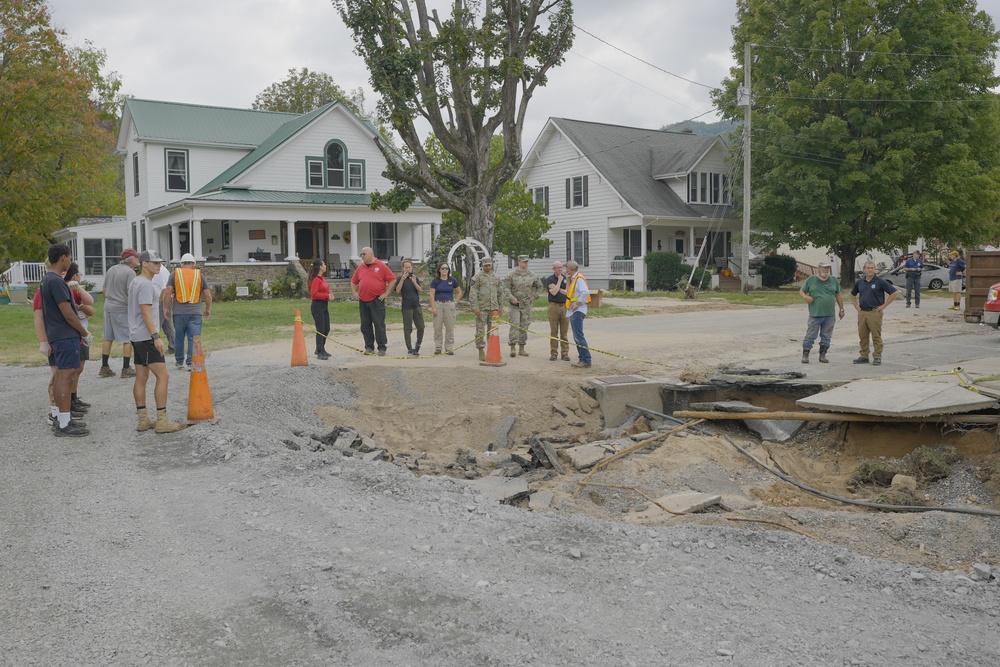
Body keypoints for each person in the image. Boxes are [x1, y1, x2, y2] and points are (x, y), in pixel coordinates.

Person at [128, 250, 186, 433]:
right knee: (163, 376)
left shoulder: (136, 282)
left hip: (137, 336)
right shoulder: (145, 285)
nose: (158, 265)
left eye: (160, 262)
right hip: (146, 337)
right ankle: (162, 421)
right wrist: (156, 336)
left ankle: (143, 419)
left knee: (142, 377)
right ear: (144, 263)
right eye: (154, 262)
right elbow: (145, 312)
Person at [39, 243, 92, 437]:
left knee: (64, 377)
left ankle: (63, 419)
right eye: (69, 258)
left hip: (58, 335)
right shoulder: (56, 281)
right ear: (63, 257)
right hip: (65, 335)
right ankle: (63, 424)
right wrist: (85, 333)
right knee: (65, 377)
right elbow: (69, 314)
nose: (70, 261)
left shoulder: (47, 280)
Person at [163, 253, 212, 370]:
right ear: (194, 264)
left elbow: (167, 292)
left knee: (179, 337)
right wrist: (207, 309)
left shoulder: (174, 274)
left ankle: (179, 361)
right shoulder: (199, 275)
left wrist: (166, 308)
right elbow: (207, 295)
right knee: (194, 338)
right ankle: (191, 362)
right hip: (195, 313)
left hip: (179, 313)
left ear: (181, 264)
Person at [99, 248, 139, 378]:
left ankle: (104, 367)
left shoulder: (112, 269)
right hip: (122, 308)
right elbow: (130, 292)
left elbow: (104, 289)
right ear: (131, 260)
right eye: (136, 258)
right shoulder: (130, 273)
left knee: (108, 337)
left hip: (108, 306)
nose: (138, 260)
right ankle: (126, 368)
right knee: (128, 338)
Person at [850, 260, 898, 366]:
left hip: (874, 312)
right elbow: (852, 294)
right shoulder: (860, 282)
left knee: (876, 336)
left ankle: (877, 356)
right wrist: (857, 307)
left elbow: (894, 293)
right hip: (862, 313)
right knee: (863, 336)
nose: (870, 270)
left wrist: (883, 306)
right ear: (864, 270)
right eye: (868, 268)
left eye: (872, 268)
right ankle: (864, 356)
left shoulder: (879, 281)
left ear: (874, 269)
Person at [350, 246, 396, 355]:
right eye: (361, 254)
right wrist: (355, 292)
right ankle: (369, 346)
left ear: (371, 254)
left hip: (376, 300)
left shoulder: (381, 266)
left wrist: (386, 293)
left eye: (364, 254)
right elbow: (353, 281)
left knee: (379, 324)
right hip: (363, 300)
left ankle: (381, 347)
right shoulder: (360, 267)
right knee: (365, 325)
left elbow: (392, 279)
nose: (362, 256)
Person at [798, 260, 845, 364]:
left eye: (827, 268)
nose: (826, 270)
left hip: (830, 315)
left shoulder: (833, 280)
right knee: (810, 335)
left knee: (826, 335)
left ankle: (822, 355)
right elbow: (801, 291)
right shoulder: (811, 279)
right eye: (824, 268)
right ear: (818, 269)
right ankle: (805, 354)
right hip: (815, 314)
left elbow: (838, 294)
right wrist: (805, 297)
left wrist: (841, 309)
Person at [65, 262, 96, 411]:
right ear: (74, 275)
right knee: (74, 369)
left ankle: (74, 397)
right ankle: (70, 400)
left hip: (83, 332)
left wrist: (80, 303)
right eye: (78, 274)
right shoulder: (68, 290)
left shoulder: (76, 290)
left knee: (79, 368)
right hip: (77, 334)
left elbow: (91, 307)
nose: (80, 277)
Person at [502, 254, 544, 357]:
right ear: (519, 262)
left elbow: (540, 287)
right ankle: (512, 347)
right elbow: (505, 288)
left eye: (527, 261)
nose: (526, 263)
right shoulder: (511, 275)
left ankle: (522, 348)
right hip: (514, 305)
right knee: (514, 325)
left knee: (524, 326)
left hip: (526, 305)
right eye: (524, 261)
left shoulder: (532, 275)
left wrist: (535, 296)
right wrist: (511, 298)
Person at [468, 256, 503, 361]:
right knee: (480, 330)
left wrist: (500, 307)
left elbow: (500, 294)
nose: (487, 267)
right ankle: (481, 350)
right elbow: (473, 293)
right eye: (485, 265)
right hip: (482, 308)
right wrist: (475, 307)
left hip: (494, 308)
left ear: (492, 265)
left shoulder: (496, 277)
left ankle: (492, 350)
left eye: (489, 265)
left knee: (493, 331)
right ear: (482, 265)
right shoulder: (477, 277)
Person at [563, 260, 592, 368]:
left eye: (566, 268)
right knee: (577, 337)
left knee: (578, 336)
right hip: (574, 311)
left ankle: (586, 359)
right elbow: (571, 293)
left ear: (570, 269)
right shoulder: (574, 278)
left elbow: (585, 292)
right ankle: (582, 359)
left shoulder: (579, 279)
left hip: (577, 311)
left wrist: (578, 304)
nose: (566, 270)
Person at [429, 262, 462, 356]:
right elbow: (431, 294)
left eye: (446, 268)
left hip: (449, 304)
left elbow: (459, 292)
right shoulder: (435, 281)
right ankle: (438, 347)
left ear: (448, 270)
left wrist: (455, 302)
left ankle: (449, 348)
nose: (444, 270)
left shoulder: (452, 280)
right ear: (439, 270)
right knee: (437, 327)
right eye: (442, 268)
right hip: (438, 304)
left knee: (450, 327)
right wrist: (433, 307)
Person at [394, 258, 424, 356]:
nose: (408, 269)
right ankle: (409, 348)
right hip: (406, 306)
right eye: (406, 267)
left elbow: (420, 290)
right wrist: (402, 280)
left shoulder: (415, 278)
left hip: (416, 305)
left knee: (421, 326)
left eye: (409, 267)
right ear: (403, 268)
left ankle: (418, 345)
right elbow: (397, 291)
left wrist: (414, 282)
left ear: (412, 268)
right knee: (408, 328)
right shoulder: (399, 279)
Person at [543, 260, 571, 362]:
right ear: (554, 269)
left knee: (564, 332)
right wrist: (559, 282)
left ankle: (565, 353)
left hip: (564, 306)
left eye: (561, 267)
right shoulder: (550, 279)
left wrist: (557, 288)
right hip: (553, 306)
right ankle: (554, 352)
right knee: (554, 331)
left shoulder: (566, 278)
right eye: (558, 267)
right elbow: (553, 293)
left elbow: (568, 293)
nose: (560, 269)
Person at [308, 258, 334, 359]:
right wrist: (326, 296)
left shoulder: (322, 279)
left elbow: (323, 291)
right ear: (320, 267)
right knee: (321, 329)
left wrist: (329, 295)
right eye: (324, 265)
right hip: (317, 306)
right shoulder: (315, 280)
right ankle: (320, 351)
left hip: (324, 305)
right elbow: (314, 294)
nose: (325, 266)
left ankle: (320, 348)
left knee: (326, 328)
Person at [152, 259, 175, 354]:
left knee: (155, 325)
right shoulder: (158, 271)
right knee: (167, 325)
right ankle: (173, 346)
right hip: (161, 302)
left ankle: (154, 346)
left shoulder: (161, 272)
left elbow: (165, 289)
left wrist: (160, 301)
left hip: (161, 302)